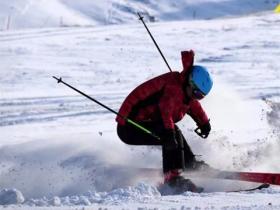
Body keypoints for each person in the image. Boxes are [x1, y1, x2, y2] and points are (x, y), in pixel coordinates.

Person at [116, 50, 213, 192]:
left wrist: (204, 122)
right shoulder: (174, 88)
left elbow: (191, 104)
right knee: (168, 134)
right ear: (190, 83)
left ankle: (189, 163)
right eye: (196, 93)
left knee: (172, 132)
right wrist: (169, 134)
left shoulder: (184, 88)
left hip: (146, 121)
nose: (196, 97)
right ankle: (173, 179)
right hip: (129, 126)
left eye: (201, 96)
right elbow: (165, 112)